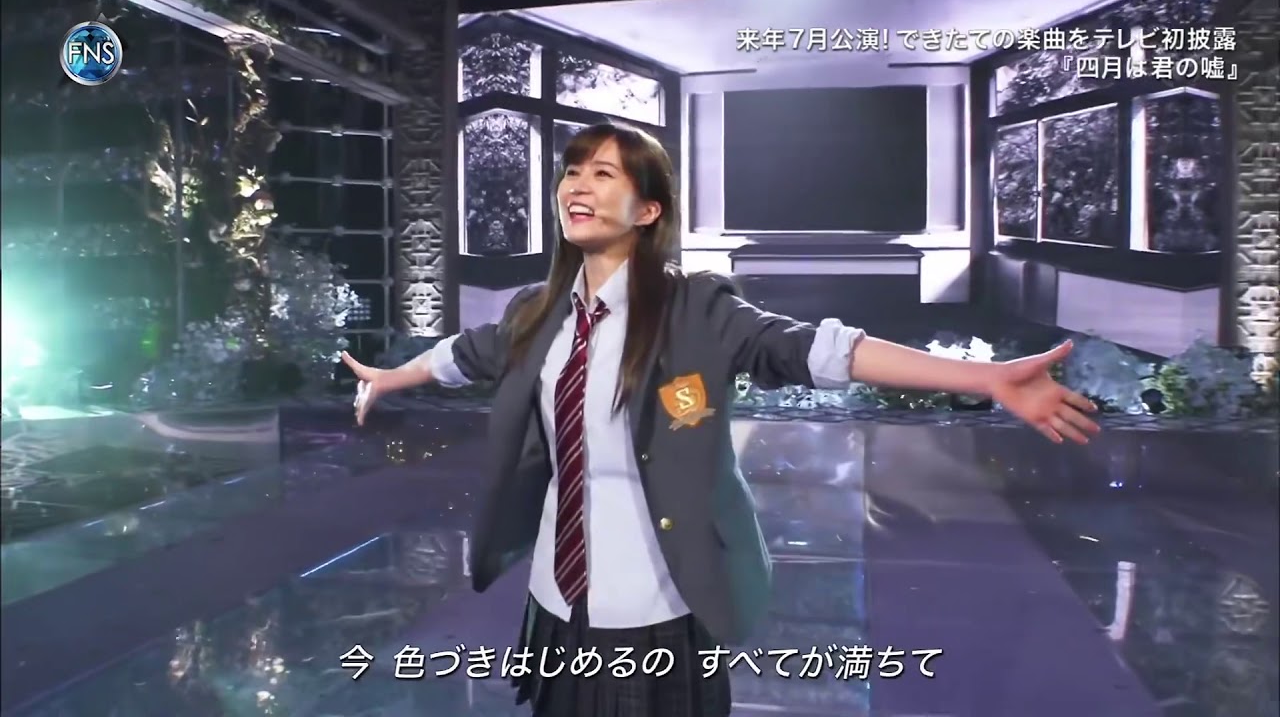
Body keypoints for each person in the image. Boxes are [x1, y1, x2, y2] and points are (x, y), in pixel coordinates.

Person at [340, 122, 1100, 716]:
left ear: (648, 210)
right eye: (572, 171)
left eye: (603, 173)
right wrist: (390, 378)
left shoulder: (697, 308)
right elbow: (463, 355)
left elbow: (822, 350)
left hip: (655, 606)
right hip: (557, 601)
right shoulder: (536, 313)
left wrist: (986, 378)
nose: (577, 185)